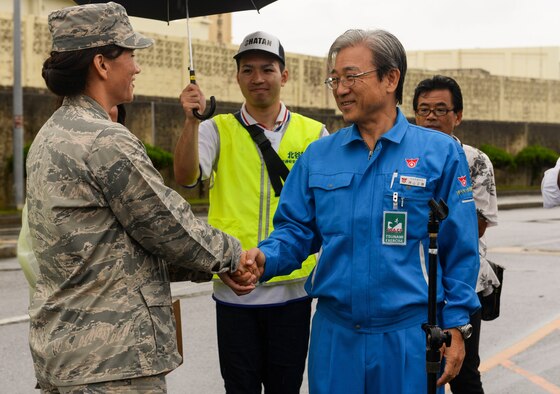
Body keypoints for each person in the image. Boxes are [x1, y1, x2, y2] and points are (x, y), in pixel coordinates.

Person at [26, 3, 256, 392]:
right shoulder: (106, 139)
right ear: (102, 63)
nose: (136, 66)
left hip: (67, 358)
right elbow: (167, 225)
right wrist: (233, 256)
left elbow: (117, 249)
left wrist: (211, 267)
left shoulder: (49, 136)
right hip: (112, 364)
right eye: (130, 54)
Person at [243, 29, 481, 394]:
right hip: (336, 337)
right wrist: (264, 258)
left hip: (408, 335)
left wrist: (456, 324)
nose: (340, 89)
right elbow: (295, 231)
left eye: (351, 77)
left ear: (391, 78)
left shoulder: (441, 154)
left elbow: (459, 248)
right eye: (334, 79)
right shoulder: (318, 156)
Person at [174, 30, 328, 393]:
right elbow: (185, 177)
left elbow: (327, 210)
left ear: (284, 75)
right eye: (248, 70)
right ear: (238, 77)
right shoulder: (216, 129)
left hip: (292, 289)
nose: (257, 78)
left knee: (285, 386)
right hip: (233, 287)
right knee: (239, 386)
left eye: (267, 69)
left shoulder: (315, 133)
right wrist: (191, 121)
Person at [413, 75, 499, 394]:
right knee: (419, 371)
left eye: (440, 109)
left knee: (463, 374)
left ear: (458, 116)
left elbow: (475, 225)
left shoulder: (474, 160)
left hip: (462, 283)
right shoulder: (403, 159)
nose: (431, 116)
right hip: (417, 283)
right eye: (423, 110)